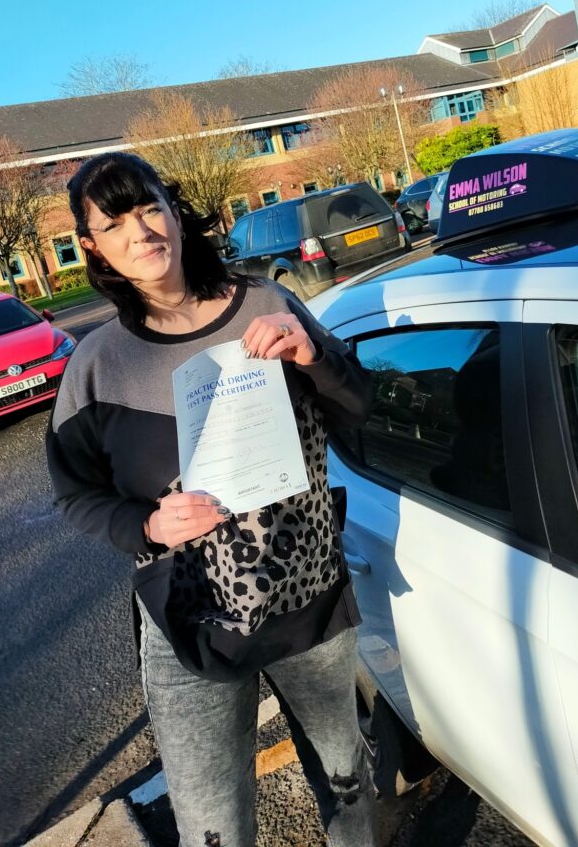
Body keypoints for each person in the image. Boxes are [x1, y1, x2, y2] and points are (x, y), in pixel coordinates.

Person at [45, 152, 377, 847]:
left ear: (174, 210)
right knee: (211, 826)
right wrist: (146, 523)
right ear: (91, 245)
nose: (141, 231)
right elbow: (75, 495)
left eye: (150, 208)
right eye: (115, 222)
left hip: (308, 600)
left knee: (347, 780)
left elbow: (359, 408)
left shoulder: (267, 305)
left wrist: (314, 359)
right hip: (188, 623)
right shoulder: (96, 365)